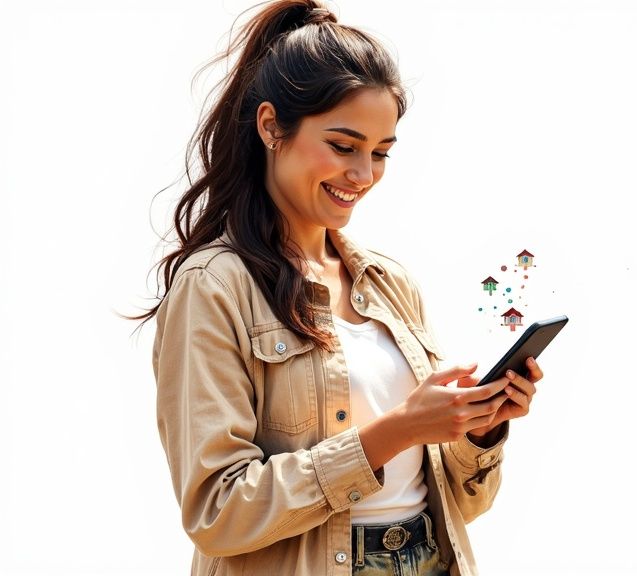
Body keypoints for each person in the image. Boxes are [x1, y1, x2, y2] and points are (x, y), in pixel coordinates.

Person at [129, 1, 544, 574]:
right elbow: (218, 512)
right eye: (344, 147)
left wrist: (480, 427)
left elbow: (460, 506)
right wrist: (394, 432)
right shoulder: (215, 287)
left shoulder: (391, 283)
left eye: (380, 153)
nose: (364, 175)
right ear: (272, 126)